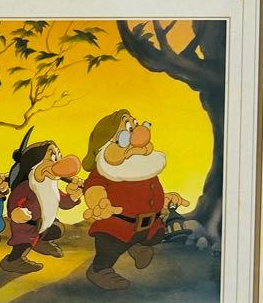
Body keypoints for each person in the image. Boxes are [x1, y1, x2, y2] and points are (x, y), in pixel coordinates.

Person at [81, 109, 190, 290]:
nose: (137, 138)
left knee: (157, 235)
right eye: (125, 136)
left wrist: (164, 199)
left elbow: (151, 191)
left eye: (137, 127)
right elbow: (93, 188)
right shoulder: (103, 172)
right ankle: (99, 270)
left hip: (148, 225)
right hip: (117, 226)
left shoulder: (143, 168)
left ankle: (136, 247)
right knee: (110, 246)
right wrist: (99, 202)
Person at [0, 133, 83, 274]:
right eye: (52, 157)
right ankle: (12, 262)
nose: (57, 163)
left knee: (57, 229)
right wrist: (16, 212)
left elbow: (63, 202)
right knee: (23, 244)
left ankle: (40, 243)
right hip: (26, 226)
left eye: (58, 157)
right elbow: (14, 201)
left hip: (44, 225)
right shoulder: (27, 186)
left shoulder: (51, 186)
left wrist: (74, 197)